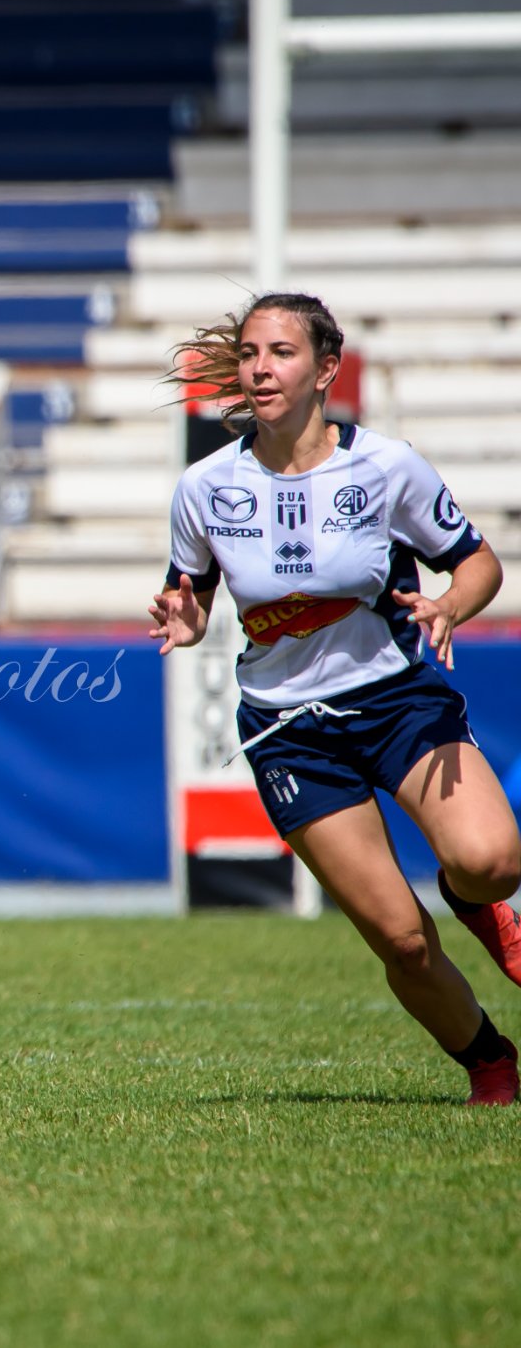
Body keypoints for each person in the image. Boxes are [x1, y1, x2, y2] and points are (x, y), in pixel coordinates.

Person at [153, 291, 521, 1104]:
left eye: (280, 353)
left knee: (492, 860)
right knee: (401, 941)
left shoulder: (386, 466)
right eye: (250, 353)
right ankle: (492, 1062)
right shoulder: (206, 487)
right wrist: (185, 616)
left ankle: (473, 902)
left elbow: (478, 562)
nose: (258, 368)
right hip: (290, 732)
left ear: (325, 370)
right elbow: (193, 593)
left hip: (396, 702)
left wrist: (450, 605)